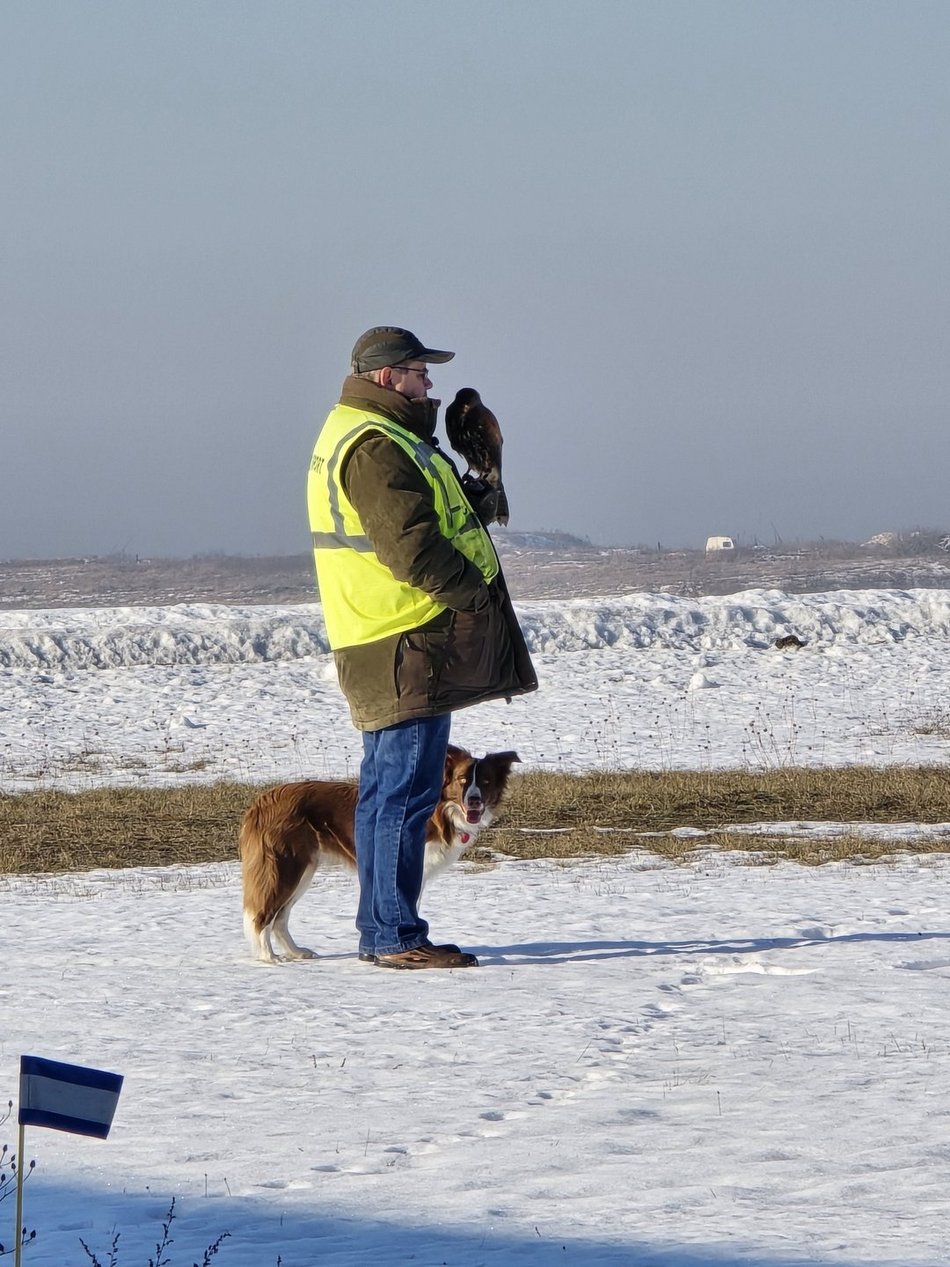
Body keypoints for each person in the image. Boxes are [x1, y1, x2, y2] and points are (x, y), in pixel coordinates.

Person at [307, 326, 537, 969]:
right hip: (402, 640)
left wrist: (474, 501)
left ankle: (385, 931)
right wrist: (472, 594)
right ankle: (394, 938)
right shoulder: (375, 444)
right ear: (387, 377)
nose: (429, 382)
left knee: (390, 793)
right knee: (403, 797)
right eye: (418, 371)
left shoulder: (382, 435)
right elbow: (411, 549)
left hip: (392, 639)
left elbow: (426, 521)